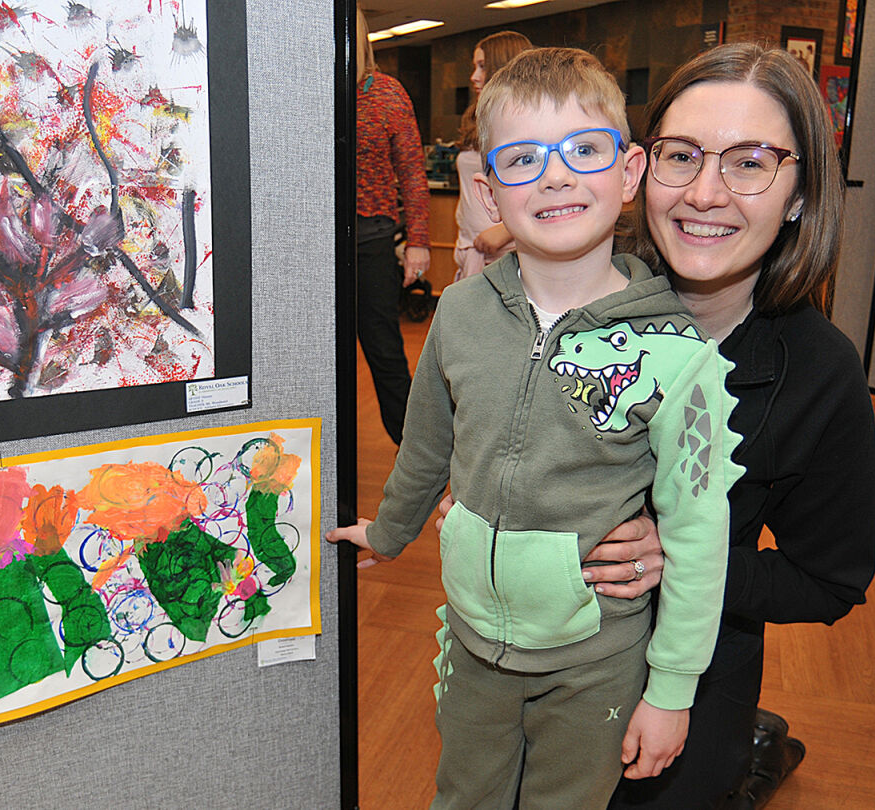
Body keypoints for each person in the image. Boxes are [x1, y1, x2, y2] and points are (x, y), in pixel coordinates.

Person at [328, 48, 745, 808]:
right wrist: (388, 532)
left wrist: (673, 690)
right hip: (473, 640)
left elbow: (698, 535)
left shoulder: (675, 355)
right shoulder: (458, 314)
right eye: (524, 159)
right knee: (464, 796)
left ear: (629, 173)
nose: (556, 177)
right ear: (486, 190)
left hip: (597, 657)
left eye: (584, 150)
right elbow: (426, 446)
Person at [571, 43, 875, 809]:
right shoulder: (569, 307)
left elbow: (829, 581)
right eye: (683, 156)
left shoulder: (819, 371)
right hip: (539, 654)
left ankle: (757, 753)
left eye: (749, 163)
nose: (705, 193)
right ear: (643, 171)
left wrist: (679, 560)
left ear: (800, 193)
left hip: (699, 669)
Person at [355, 5, 431, 444]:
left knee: (384, 354)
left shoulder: (385, 92)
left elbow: (412, 174)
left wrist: (419, 241)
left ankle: (418, 465)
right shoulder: (304, 90)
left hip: (371, 240)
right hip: (311, 244)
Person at [452, 30, 532, 281]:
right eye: (474, 66)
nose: (474, 77)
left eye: (483, 67)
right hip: (472, 249)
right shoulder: (477, 117)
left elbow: (543, 186)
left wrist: (506, 231)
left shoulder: (529, 122)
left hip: (511, 253)